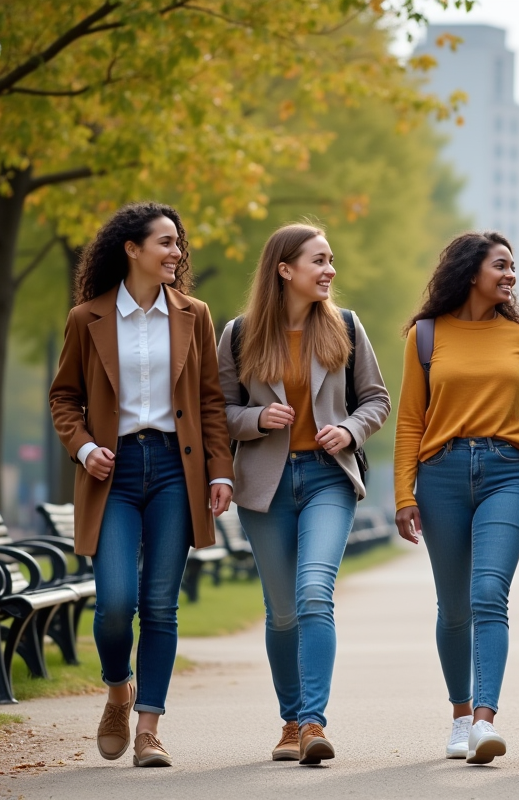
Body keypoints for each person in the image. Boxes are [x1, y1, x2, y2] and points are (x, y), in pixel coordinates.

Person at [50, 201, 234, 768]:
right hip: (115, 471)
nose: (177, 253)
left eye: (178, 243)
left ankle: (149, 728)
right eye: (166, 243)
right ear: (132, 249)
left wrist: (220, 468)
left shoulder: (194, 314)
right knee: (114, 604)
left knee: (159, 604)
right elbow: (64, 397)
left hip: (177, 471)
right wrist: (84, 448)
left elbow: (209, 399)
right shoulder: (88, 318)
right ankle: (117, 690)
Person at [216, 223, 389, 765]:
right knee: (282, 611)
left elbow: (376, 400)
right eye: (318, 260)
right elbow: (216, 412)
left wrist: (351, 429)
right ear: (284, 269)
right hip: (264, 486)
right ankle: (289, 721)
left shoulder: (348, 327)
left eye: (331, 259)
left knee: (315, 593)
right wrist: (256, 417)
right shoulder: (240, 333)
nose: (329, 270)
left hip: (326, 479)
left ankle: (314, 722)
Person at [393, 231, 519, 765]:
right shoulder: (426, 336)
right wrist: (403, 493)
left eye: (513, 267)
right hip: (442, 477)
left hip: (506, 473)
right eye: (501, 265)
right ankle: (459, 716)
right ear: (470, 271)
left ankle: (484, 720)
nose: (510, 275)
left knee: (488, 594)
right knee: (454, 606)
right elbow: (411, 418)